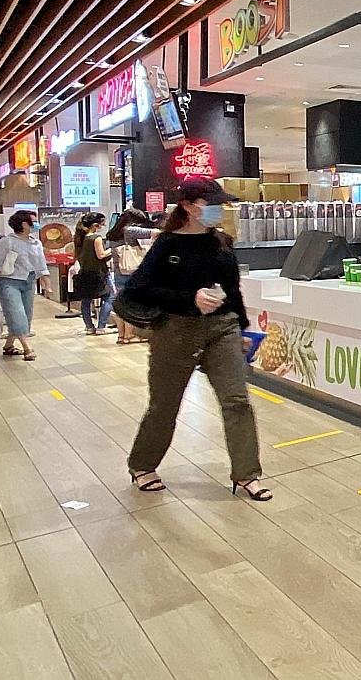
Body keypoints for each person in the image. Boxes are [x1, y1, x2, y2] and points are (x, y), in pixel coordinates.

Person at [124, 179, 270, 501]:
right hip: (176, 330)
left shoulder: (222, 242)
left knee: (237, 401)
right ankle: (142, 464)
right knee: (165, 405)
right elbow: (138, 288)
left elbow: (232, 291)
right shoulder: (166, 245)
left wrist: (243, 329)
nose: (219, 209)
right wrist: (189, 298)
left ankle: (247, 474)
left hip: (223, 328)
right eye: (211, 203)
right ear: (189, 206)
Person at [0, 210, 49, 361]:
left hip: (29, 280)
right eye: (34, 221)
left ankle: (8, 346)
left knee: (26, 314)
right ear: (24, 224)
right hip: (8, 281)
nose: (37, 224)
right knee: (16, 313)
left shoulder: (36, 243)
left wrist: (47, 283)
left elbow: (41, 264)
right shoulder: (7, 242)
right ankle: (27, 348)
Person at [108, 209, 158, 344]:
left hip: (119, 272)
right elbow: (157, 233)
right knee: (131, 305)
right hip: (132, 272)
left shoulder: (112, 233)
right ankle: (129, 335)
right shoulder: (129, 230)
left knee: (120, 304)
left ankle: (121, 335)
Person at [73, 212, 113, 335]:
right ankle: (101, 326)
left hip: (84, 273)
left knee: (86, 301)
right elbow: (100, 255)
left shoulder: (79, 238)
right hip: (98, 273)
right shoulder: (96, 238)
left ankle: (89, 327)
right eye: (102, 223)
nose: (104, 225)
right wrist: (112, 249)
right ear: (95, 225)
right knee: (109, 297)